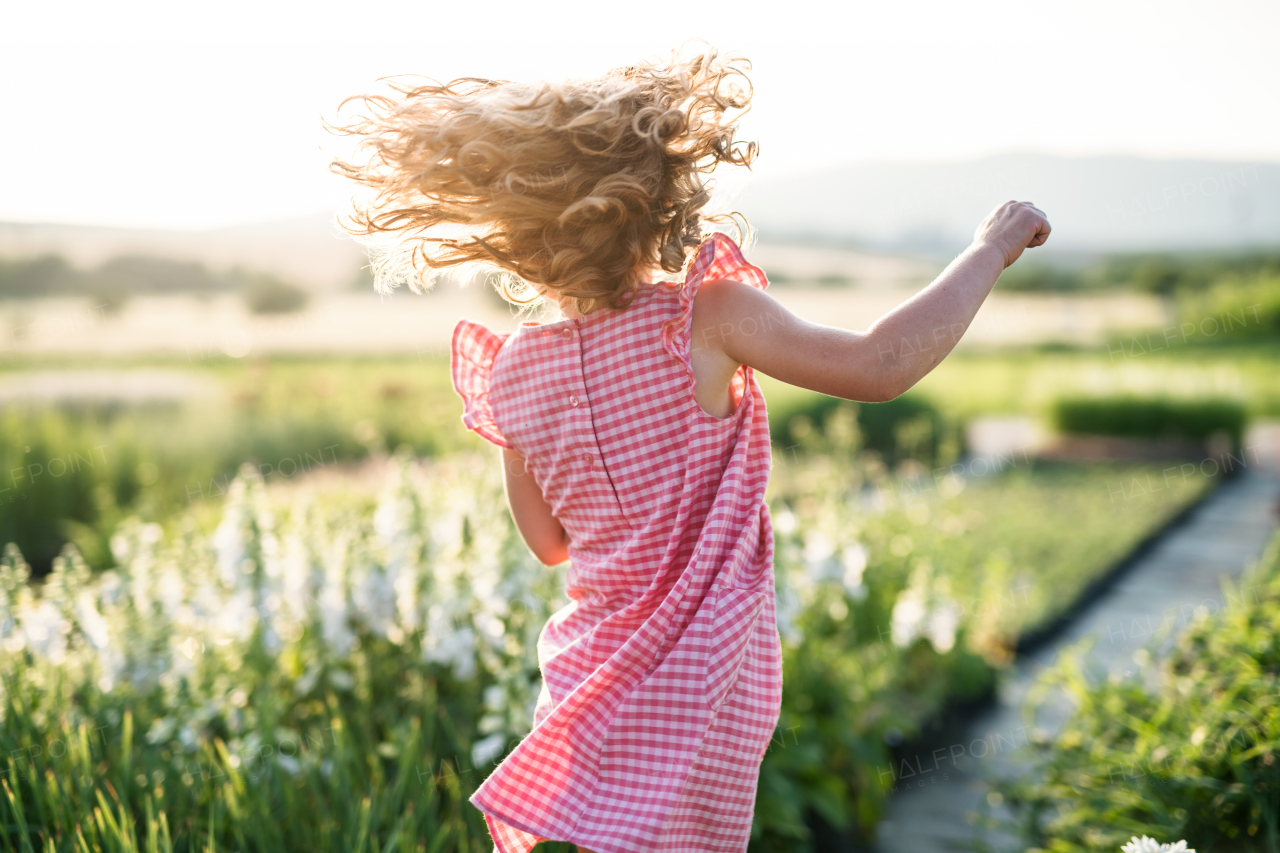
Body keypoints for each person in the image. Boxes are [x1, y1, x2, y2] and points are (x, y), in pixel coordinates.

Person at [330, 42, 1049, 853]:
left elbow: (547, 543)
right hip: (700, 674)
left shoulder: (515, 371)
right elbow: (878, 366)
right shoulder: (703, 320)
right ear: (656, 197)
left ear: (516, 229)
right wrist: (989, 249)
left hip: (589, 676)